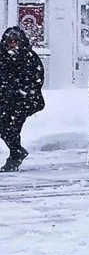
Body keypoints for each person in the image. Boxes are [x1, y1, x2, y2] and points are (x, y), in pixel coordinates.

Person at [0, 27, 45, 172]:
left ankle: (14, 157)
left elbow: (38, 78)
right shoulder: (2, 57)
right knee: (4, 128)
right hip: (5, 101)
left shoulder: (29, 57)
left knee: (13, 128)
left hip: (24, 101)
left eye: (15, 41)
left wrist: (26, 91)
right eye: (10, 42)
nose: (13, 45)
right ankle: (17, 151)